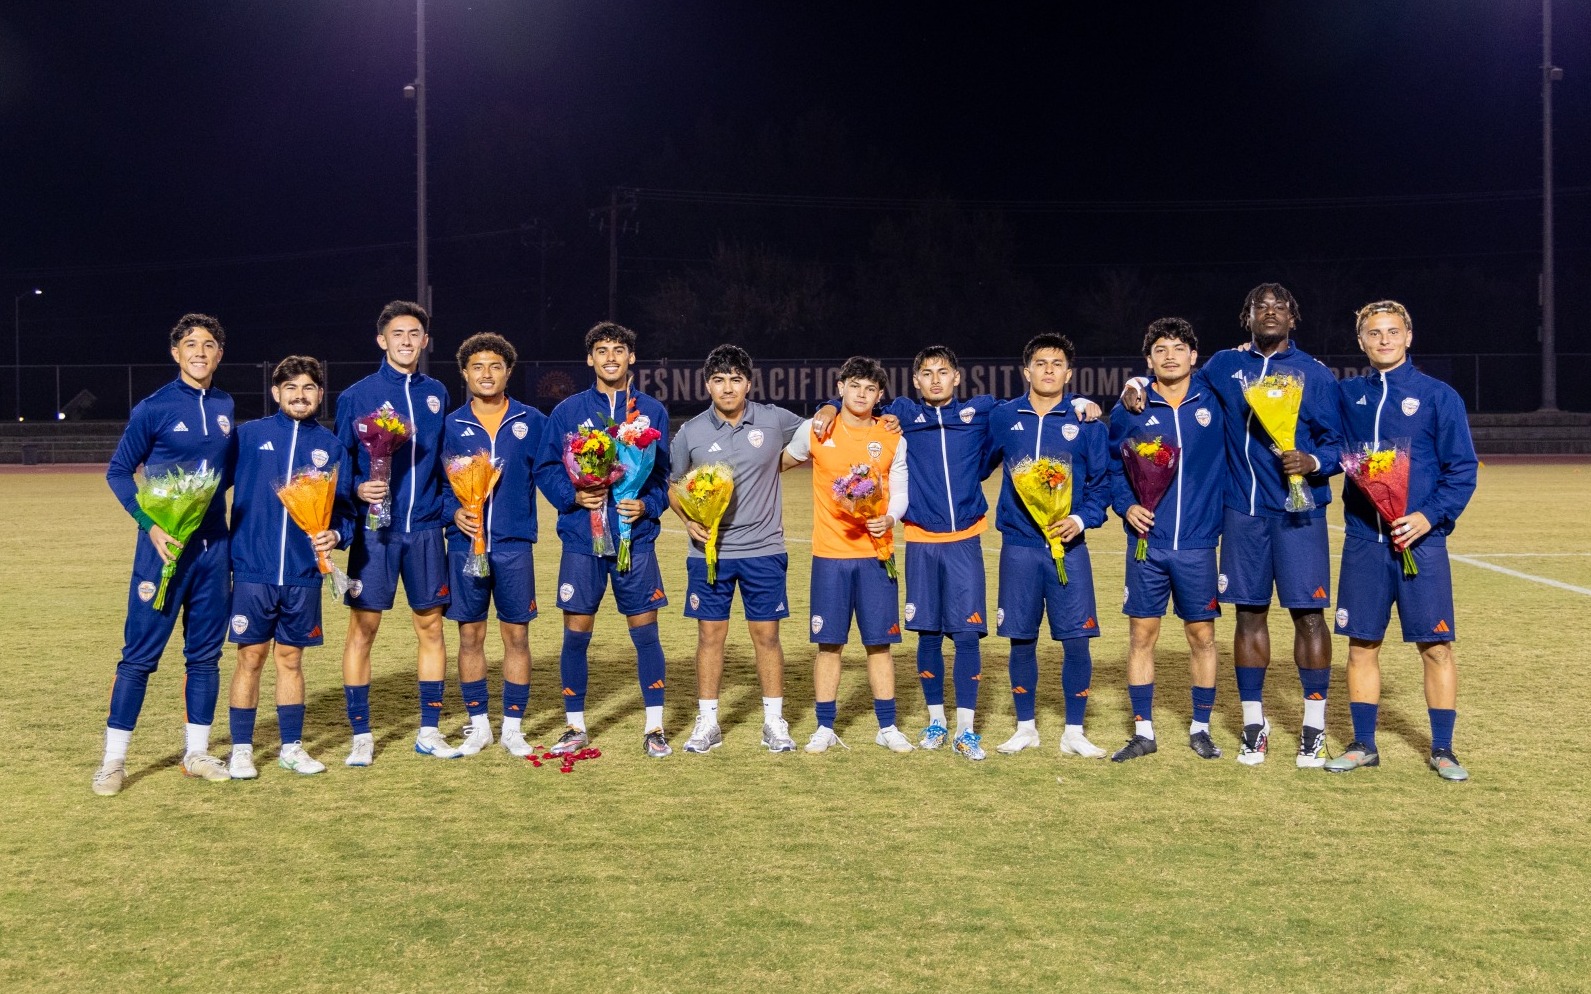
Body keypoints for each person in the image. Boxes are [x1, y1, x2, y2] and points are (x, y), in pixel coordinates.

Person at [1123, 283, 1344, 767]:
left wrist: (1312, 461)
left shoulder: (1315, 374)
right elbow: (1170, 376)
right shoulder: (1225, 366)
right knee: (1249, 614)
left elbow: (1339, 444)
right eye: (1260, 306)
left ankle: (1313, 728)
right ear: (1246, 316)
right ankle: (1253, 725)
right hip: (1242, 514)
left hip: (1300, 512)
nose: (1269, 312)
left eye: (1279, 305)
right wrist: (1136, 385)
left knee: (1309, 615)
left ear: (1293, 316)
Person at [1324, 300, 1478, 781]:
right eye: (1374, 333)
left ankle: (1443, 749)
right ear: (1362, 342)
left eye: (1393, 331)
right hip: (1363, 542)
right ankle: (1363, 745)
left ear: (1409, 337)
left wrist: (1427, 518)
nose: (1384, 339)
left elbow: (1463, 470)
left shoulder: (1438, 396)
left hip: (1421, 544)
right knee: (1361, 645)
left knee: (1436, 647)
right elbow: (1304, 405)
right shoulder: (1345, 395)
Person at [95, 313, 237, 795]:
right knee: (138, 657)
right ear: (175, 353)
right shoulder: (152, 408)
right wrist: (151, 526)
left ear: (220, 354)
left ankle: (196, 753)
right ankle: (113, 762)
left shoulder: (225, 405)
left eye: (210, 344)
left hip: (213, 550)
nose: (201, 351)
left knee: (205, 656)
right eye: (191, 344)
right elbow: (118, 472)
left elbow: (228, 473)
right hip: (161, 550)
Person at [532, 322, 673, 757]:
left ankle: (654, 728)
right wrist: (574, 494)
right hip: (581, 540)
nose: (610, 357)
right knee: (576, 633)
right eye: (601, 350)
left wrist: (647, 505)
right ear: (590, 359)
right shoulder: (568, 411)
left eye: (618, 350)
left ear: (632, 357)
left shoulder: (652, 411)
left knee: (645, 632)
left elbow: (664, 476)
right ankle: (575, 727)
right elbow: (546, 468)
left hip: (636, 539)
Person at [669, 345, 809, 754]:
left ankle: (773, 721)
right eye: (718, 380)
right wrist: (687, 520)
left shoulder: (772, 418)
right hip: (709, 553)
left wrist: (784, 461)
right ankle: (708, 722)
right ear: (707, 385)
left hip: (764, 549)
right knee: (710, 636)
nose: (727, 388)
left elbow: (816, 429)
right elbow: (673, 483)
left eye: (734, 379)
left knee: (766, 636)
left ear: (748, 383)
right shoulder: (692, 431)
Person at [335, 300, 454, 765]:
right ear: (382, 340)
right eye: (398, 334)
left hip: (423, 531)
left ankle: (428, 730)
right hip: (374, 536)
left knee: (430, 627)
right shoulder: (356, 395)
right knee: (363, 629)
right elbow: (339, 463)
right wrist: (358, 488)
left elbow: (447, 460)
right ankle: (362, 735)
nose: (407, 341)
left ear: (425, 342)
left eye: (415, 334)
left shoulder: (437, 393)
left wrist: (443, 510)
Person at [225, 356, 353, 779]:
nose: (300, 395)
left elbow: (347, 511)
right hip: (252, 570)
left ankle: (291, 748)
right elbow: (209, 484)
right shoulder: (249, 436)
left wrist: (337, 535)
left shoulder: (332, 447)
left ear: (320, 394)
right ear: (276, 392)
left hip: (302, 574)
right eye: (291, 388)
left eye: (309, 388)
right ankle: (241, 750)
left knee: (292, 659)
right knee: (251, 657)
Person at [1105, 319, 1226, 762]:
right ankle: (1143, 731)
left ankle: (1201, 728)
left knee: (1202, 636)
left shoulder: (1215, 399)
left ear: (1195, 356)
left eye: (1179, 347)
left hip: (1197, 543)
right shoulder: (1132, 408)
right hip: (1146, 543)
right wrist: (1126, 505)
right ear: (1148, 359)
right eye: (1160, 349)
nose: (1170, 355)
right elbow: (1112, 465)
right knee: (1142, 635)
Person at [986, 333, 1111, 759]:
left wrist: (1079, 519)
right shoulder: (1005, 416)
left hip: (1069, 547)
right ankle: (1026, 728)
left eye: (1057, 363)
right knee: (1021, 639)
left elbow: (1101, 485)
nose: (1049, 370)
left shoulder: (1086, 421)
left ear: (1069, 373)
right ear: (1026, 371)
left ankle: (1074, 731)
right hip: (1019, 546)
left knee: (1077, 641)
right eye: (1041, 363)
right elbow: (979, 459)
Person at [782, 355, 912, 754]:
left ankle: (887, 727)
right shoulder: (818, 429)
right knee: (829, 645)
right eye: (854, 386)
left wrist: (889, 517)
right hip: (830, 556)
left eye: (870, 388)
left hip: (877, 554)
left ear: (880, 395)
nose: (861, 394)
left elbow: (900, 489)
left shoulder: (893, 436)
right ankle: (824, 727)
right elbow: (777, 464)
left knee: (879, 644)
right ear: (839, 388)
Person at [442, 333, 548, 759]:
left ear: (508, 371)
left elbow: (552, 473)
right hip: (465, 545)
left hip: (513, 544)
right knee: (470, 634)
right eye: (478, 367)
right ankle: (479, 726)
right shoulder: (451, 424)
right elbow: (438, 483)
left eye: (495, 366)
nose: (486, 374)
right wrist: (454, 512)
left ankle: (514, 728)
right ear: (465, 373)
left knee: (516, 635)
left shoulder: (532, 420)